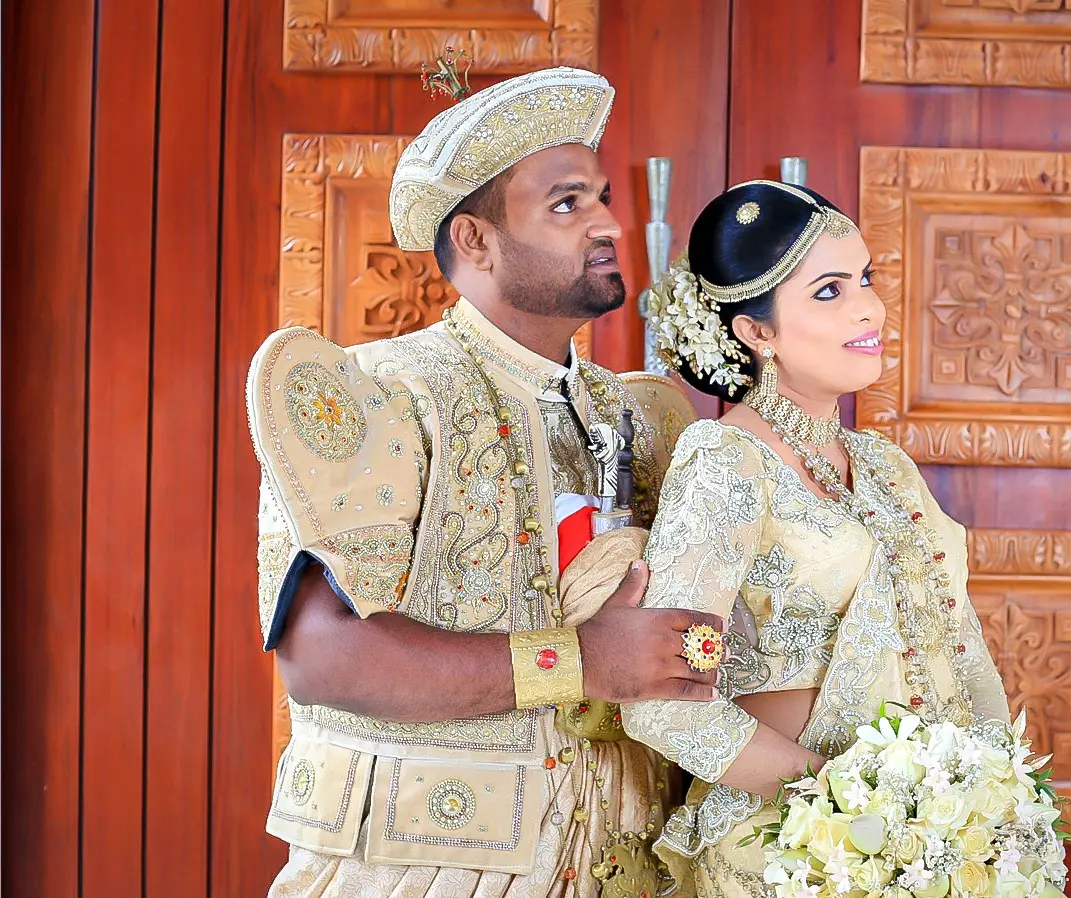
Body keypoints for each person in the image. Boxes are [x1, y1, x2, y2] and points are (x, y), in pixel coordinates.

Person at [247, 65, 721, 897]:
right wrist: (574, 662)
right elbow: (321, 660)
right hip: (425, 866)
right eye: (567, 204)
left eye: (603, 197)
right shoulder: (387, 393)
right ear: (475, 240)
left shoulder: (644, 416)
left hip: (625, 860)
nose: (608, 222)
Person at [620, 180, 1013, 894]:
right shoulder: (727, 458)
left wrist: (996, 793)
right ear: (757, 332)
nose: (868, 306)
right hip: (788, 849)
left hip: (929, 842)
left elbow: (960, 640)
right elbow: (658, 699)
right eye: (829, 291)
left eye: (864, 279)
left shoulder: (884, 467)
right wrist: (848, 804)